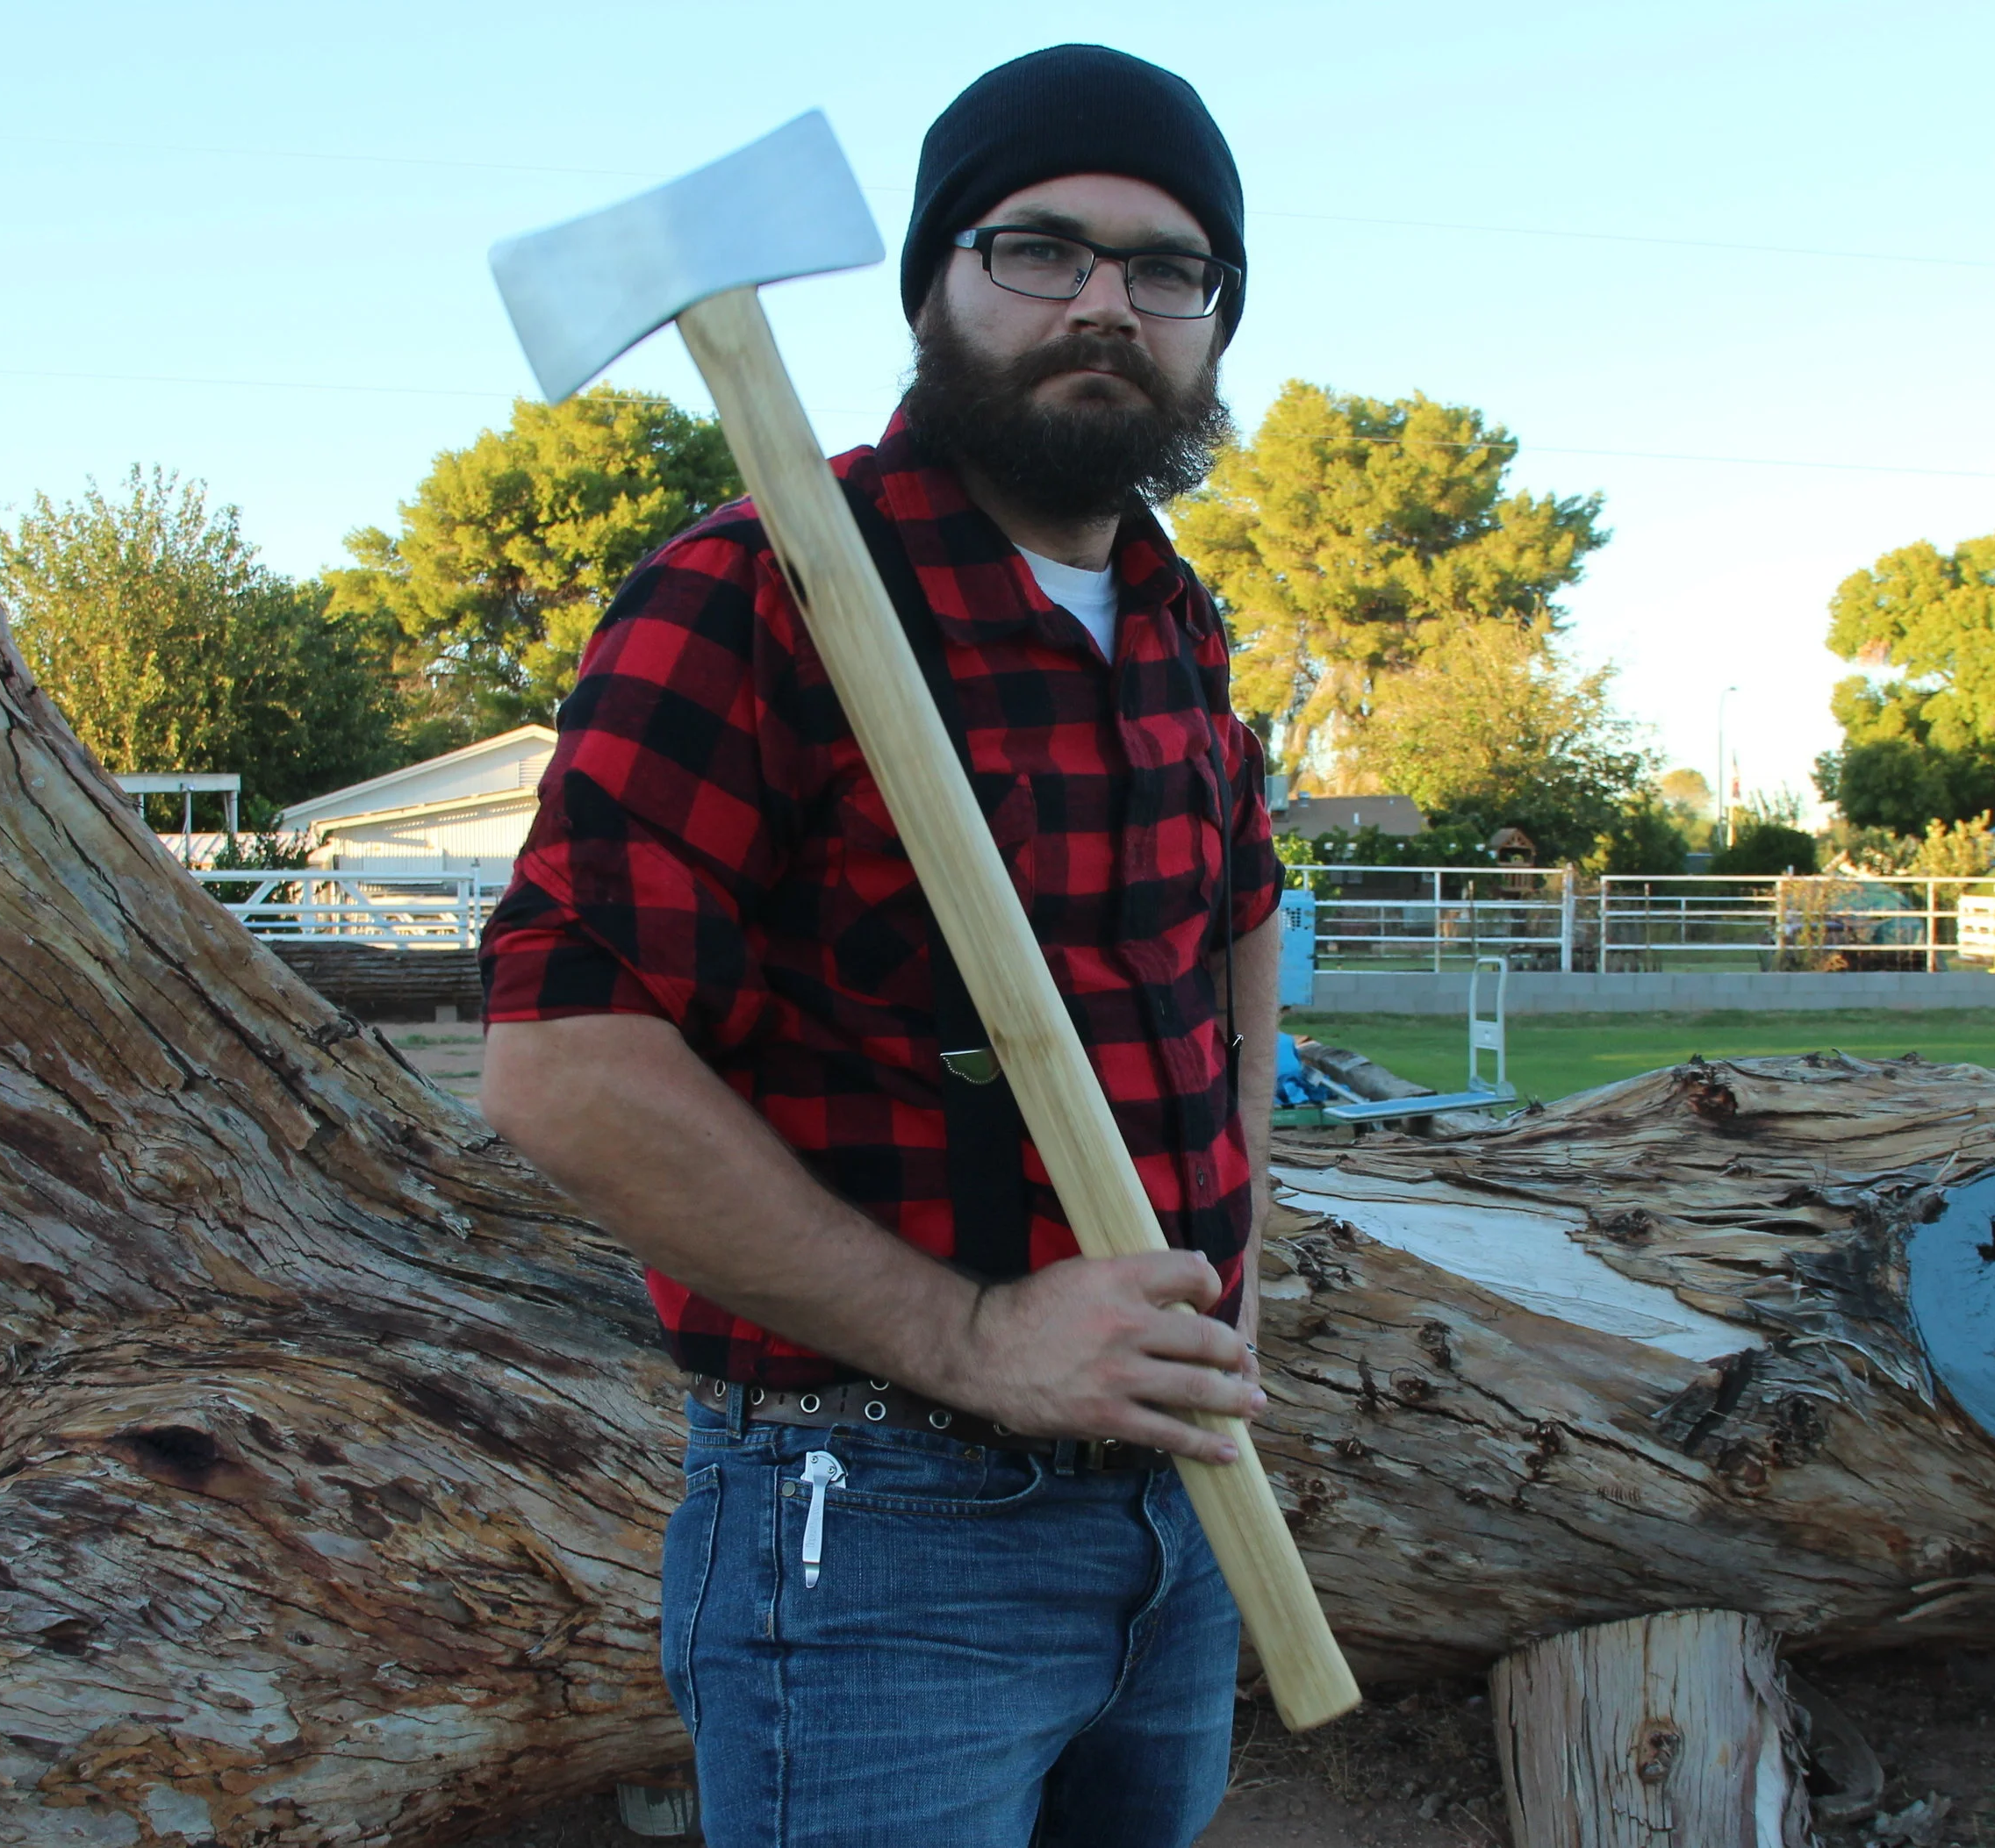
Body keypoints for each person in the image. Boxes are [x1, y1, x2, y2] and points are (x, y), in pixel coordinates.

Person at [478, 43, 1282, 1848]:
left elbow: (1237, 918)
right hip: (875, 1531)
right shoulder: (748, 590)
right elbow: (562, 1065)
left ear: (1214, 320)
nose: (1104, 301)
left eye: (1168, 268)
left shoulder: (1172, 617)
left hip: (1186, 1505)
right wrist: (980, 1337)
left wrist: (1248, 1269)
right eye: (1038, 247)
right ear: (931, 281)